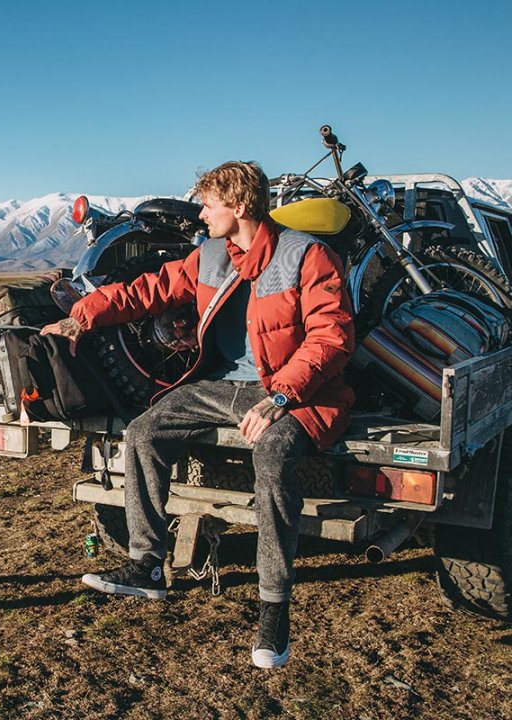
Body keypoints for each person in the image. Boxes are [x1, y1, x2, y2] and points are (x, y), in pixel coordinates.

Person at [42, 161, 355, 669]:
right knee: (144, 432)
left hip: (294, 392)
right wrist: (81, 318)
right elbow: (148, 290)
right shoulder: (211, 255)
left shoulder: (307, 255)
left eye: (209, 205)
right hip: (221, 387)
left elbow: (331, 338)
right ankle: (147, 564)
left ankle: (274, 608)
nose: (202, 215)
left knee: (273, 456)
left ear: (241, 206)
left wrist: (279, 399)